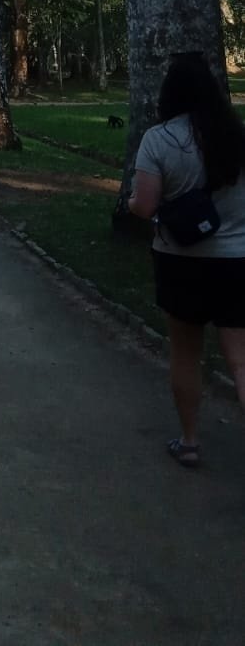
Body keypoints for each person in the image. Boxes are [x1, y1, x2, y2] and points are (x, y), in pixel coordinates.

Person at [129, 50, 245, 467]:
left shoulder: (159, 139)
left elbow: (144, 207)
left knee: (185, 352)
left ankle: (190, 440)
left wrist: (132, 203)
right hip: (236, 260)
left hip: (182, 262)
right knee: (240, 357)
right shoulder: (236, 137)